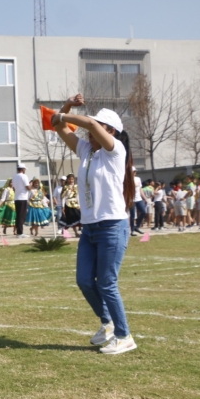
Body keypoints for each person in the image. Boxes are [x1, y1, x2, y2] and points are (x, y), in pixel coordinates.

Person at [52, 94, 137, 355]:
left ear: (110, 131)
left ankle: (124, 336)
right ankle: (108, 323)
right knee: (85, 281)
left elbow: (86, 123)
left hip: (112, 226)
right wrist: (67, 105)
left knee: (107, 283)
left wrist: (63, 115)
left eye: (99, 127)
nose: (90, 132)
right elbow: (60, 127)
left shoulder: (115, 150)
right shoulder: (87, 151)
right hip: (90, 228)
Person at [12, 164, 30, 237]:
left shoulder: (14, 177)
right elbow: (27, 187)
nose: (25, 170)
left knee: (19, 215)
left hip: (17, 198)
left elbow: (13, 188)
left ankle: (18, 231)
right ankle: (20, 232)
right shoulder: (24, 176)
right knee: (21, 216)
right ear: (22, 169)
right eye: (24, 169)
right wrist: (31, 187)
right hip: (23, 198)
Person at [129, 166, 146, 235]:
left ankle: (137, 226)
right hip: (131, 200)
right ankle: (132, 230)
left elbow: (140, 189)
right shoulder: (127, 179)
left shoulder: (138, 179)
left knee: (143, 212)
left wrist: (144, 198)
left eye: (135, 171)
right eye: (133, 171)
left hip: (139, 198)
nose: (134, 173)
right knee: (132, 215)